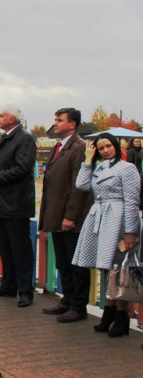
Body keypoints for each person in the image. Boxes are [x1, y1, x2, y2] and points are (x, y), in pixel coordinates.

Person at [73, 133, 141, 338]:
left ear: (116, 146)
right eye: (101, 148)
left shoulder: (127, 168)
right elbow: (81, 185)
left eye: (108, 146)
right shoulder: (98, 167)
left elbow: (132, 201)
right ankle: (109, 311)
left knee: (120, 268)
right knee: (106, 267)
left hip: (118, 218)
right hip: (100, 217)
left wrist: (130, 231)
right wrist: (87, 159)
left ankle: (121, 314)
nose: (105, 151)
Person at [0, 107, 37, 307]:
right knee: (5, 247)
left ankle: (25, 291)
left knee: (20, 249)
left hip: (16, 203)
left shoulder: (24, 139)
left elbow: (22, 168)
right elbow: (2, 166)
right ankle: (9, 285)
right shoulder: (5, 138)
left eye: (1, 116)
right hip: (1, 202)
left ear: (12, 118)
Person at [38, 108, 93, 323]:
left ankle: (79, 306)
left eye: (60, 120)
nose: (56, 123)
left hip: (70, 218)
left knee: (76, 264)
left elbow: (78, 185)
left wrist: (71, 216)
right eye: (55, 119)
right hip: (56, 215)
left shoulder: (78, 147)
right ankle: (68, 299)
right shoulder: (59, 146)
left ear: (72, 124)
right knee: (63, 261)